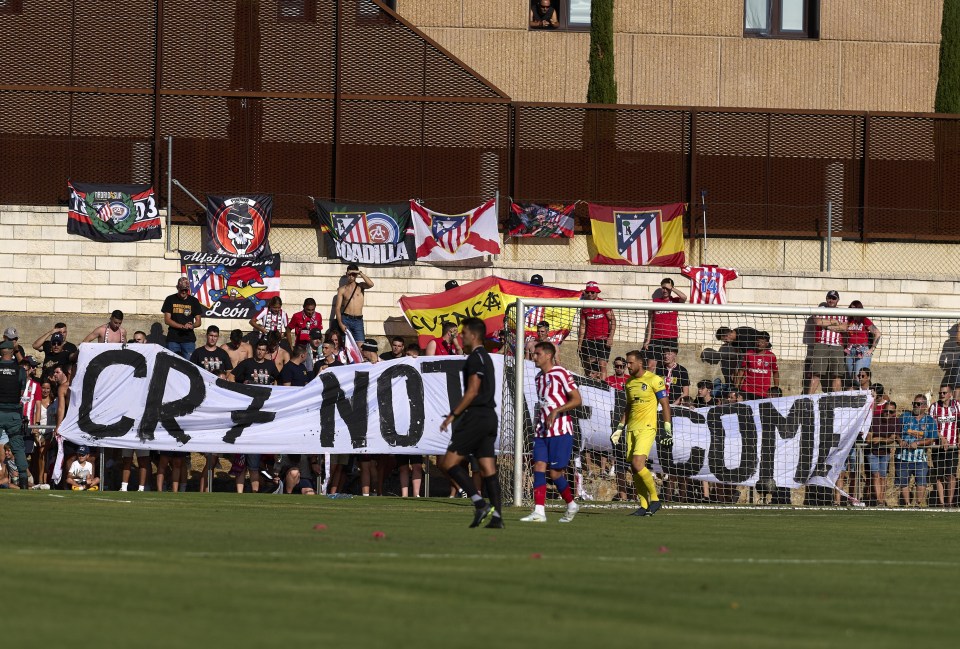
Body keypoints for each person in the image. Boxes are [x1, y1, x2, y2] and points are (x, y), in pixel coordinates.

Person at [439, 318, 504, 528]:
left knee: (447, 463)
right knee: (488, 468)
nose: (461, 336)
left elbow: (473, 390)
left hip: (475, 417)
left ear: (473, 335)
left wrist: (452, 415)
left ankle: (479, 503)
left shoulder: (475, 358)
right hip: (489, 417)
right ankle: (497, 518)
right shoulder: (486, 357)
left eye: (464, 333)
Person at [520, 341, 582, 523]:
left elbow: (577, 399)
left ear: (548, 355)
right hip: (542, 431)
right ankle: (539, 512)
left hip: (560, 431)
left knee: (555, 474)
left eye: (537, 353)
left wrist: (556, 410)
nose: (534, 357)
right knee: (538, 466)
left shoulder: (561, 373)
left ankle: (571, 504)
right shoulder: (539, 377)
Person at [610, 349, 670, 517]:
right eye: (626, 363)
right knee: (634, 469)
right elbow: (628, 407)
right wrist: (620, 428)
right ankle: (643, 506)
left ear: (640, 363)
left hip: (648, 427)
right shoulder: (629, 383)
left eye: (630, 363)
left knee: (638, 464)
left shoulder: (654, 380)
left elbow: (665, 404)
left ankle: (656, 499)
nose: (627, 366)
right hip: (632, 428)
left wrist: (667, 428)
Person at [232, 339, 279, 493]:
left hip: (261, 417)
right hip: (245, 415)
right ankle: (239, 495)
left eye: (263, 349)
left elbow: (279, 380)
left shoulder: (270, 365)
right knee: (240, 465)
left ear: (266, 351)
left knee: (253, 465)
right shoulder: (246, 364)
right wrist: (239, 389)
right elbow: (231, 377)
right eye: (258, 348)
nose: (260, 351)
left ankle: (254, 494)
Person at [895, 394, 937, 507]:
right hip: (902, 457)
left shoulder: (929, 420)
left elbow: (931, 439)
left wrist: (917, 443)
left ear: (925, 406)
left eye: (918, 404)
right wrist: (900, 441)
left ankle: (918, 504)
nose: (915, 406)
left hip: (920, 457)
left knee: (921, 481)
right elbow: (895, 433)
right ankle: (908, 504)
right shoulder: (904, 417)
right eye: (914, 403)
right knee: (904, 482)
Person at [805, 290, 847, 394]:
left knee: (837, 374)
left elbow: (844, 328)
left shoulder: (843, 313)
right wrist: (834, 322)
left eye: (834, 298)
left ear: (838, 300)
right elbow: (818, 322)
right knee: (816, 373)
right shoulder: (820, 310)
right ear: (826, 298)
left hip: (837, 345)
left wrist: (827, 325)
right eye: (829, 298)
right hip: (821, 344)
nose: (831, 300)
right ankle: (808, 398)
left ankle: (836, 398)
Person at [0, 340, 29, 489]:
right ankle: (23, 480)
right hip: (13, 414)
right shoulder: (20, 370)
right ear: (12, 352)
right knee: (17, 447)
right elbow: (21, 391)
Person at [929, 384, 959, 507]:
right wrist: (941, 438)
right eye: (940, 393)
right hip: (938, 447)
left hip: (952, 446)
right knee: (939, 475)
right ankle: (941, 503)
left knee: (951, 475)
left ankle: (950, 503)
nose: (941, 395)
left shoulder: (957, 406)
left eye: (944, 393)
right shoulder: (934, 407)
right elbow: (931, 426)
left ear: (950, 394)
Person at [643, 278, 686, 363]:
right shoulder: (656, 301)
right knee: (651, 364)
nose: (665, 290)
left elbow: (684, 297)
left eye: (667, 288)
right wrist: (647, 340)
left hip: (671, 337)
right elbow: (651, 322)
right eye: (663, 288)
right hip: (656, 338)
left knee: (669, 363)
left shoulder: (675, 301)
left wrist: (672, 288)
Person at [577, 281, 616, 377]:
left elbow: (613, 321)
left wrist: (610, 337)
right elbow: (582, 326)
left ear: (597, 292)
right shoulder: (584, 306)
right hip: (589, 339)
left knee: (602, 365)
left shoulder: (603, 304)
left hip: (603, 339)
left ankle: (603, 386)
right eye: (588, 292)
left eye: (592, 292)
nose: (590, 294)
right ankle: (589, 385)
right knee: (590, 365)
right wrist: (580, 343)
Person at [865, 401, 899, 507]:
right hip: (872, 451)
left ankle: (881, 498)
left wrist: (880, 439)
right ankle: (879, 500)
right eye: (886, 411)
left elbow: (892, 439)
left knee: (883, 476)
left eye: (890, 411)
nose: (887, 413)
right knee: (876, 475)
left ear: (894, 412)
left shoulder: (896, 422)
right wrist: (871, 440)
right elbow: (868, 438)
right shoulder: (874, 419)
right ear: (882, 410)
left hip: (885, 452)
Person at [162, 277, 203, 359]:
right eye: (181, 289)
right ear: (177, 288)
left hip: (189, 339)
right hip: (173, 339)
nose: (184, 292)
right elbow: (167, 320)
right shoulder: (170, 299)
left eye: (186, 290)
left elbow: (198, 321)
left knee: (189, 366)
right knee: (171, 364)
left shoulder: (194, 301)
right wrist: (182, 326)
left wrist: (192, 326)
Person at [335, 263, 374, 344]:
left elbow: (371, 284)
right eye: (350, 274)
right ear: (347, 274)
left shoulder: (360, 286)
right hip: (346, 319)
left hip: (358, 320)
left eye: (353, 274)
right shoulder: (342, 289)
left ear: (356, 275)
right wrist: (340, 323)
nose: (351, 276)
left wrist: (360, 273)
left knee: (360, 346)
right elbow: (338, 308)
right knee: (347, 346)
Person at [735, 332, 779, 400]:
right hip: (747, 390)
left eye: (762, 342)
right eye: (757, 341)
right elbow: (741, 370)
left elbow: (775, 372)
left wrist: (776, 388)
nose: (759, 344)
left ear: (767, 344)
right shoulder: (748, 354)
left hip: (763, 392)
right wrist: (736, 387)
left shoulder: (771, 356)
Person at [844, 300, 881, 381]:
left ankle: (862, 393)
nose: (852, 310)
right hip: (850, 351)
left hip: (862, 350)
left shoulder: (864, 320)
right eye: (851, 308)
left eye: (855, 308)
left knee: (859, 378)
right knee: (851, 379)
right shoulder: (848, 321)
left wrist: (872, 349)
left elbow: (877, 333)